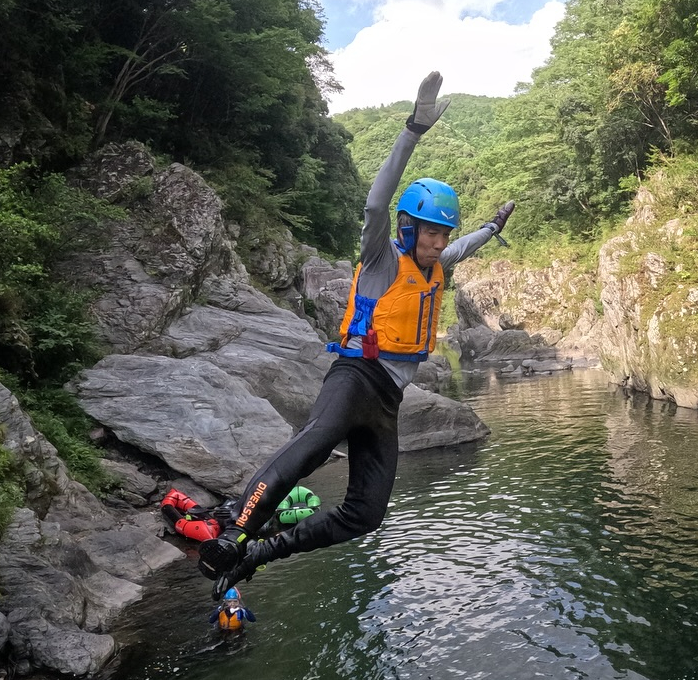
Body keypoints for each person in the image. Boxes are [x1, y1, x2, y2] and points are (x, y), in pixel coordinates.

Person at [197, 71, 514, 596]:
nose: (440, 243)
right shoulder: (382, 257)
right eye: (432, 232)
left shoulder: (437, 264)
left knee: (366, 513)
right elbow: (375, 204)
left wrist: (494, 228)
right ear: (410, 230)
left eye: (445, 235)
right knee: (316, 443)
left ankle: (258, 554)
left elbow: (468, 246)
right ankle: (234, 531)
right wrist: (413, 130)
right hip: (356, 373)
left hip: (388, 397)